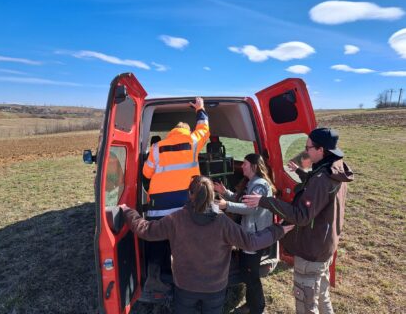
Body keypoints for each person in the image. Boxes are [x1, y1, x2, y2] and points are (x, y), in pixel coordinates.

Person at [120, 176, 294, 314]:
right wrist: (278, 230)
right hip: (215, 288)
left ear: (189, 195)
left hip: (185, 286)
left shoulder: (176, 219)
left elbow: (146, 230)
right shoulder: (223, 223)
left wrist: (129, 212)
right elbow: (251, 242)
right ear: (213, 195)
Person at [243, 128, 354, 314]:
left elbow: (301, 216)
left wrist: (264, 201)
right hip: (325, 246)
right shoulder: (334, 169)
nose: (306, 151)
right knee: (321, 297)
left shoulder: (322, 178)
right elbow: (317, 192)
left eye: (308, 147)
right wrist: (302, 174)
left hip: (311, 251)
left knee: (306, 305)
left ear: (321, 150)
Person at [142, 97, 210, 293]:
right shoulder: (193, 141)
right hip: (185, 206)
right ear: (187, 131)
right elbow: (204, 129)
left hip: (159, 207)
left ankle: (154, 278)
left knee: (157, 240)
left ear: (171, 132)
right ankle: (190, 278)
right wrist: (200, 109)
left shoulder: (157, 148)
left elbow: (146, 173)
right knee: (186, 241)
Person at [214, 153, 276, 314]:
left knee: (251, 275)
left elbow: (250, 208)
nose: (242, 166)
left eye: (246, 164)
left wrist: (225, 205)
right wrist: (225, 192)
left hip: (255, 237)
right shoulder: (252, 182)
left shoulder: (260, 185)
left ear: (254, 166)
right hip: (248, 235)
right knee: (247, 272)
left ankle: (257, 307)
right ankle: (251, 304)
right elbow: (241, 200)